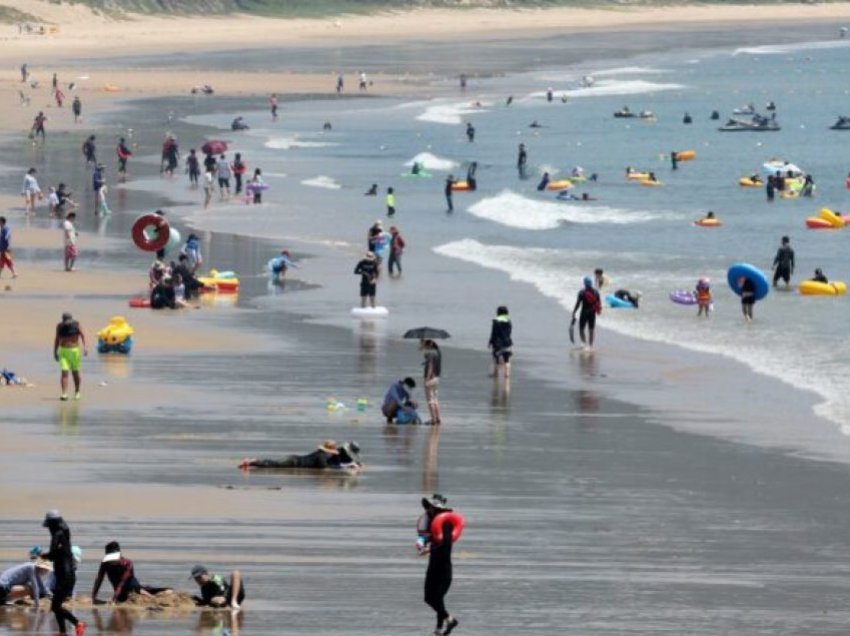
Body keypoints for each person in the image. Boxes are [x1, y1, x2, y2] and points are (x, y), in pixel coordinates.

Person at [40, 511, 86, 635]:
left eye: (49, 526)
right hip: (68, 575)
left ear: (52, 525)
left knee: (55, 606)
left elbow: (53, 554)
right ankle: (62, 631)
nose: (48, 528)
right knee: (57, 605)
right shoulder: (65, 535)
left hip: (64, 576)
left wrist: (43, 555)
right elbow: (59, 554)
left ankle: (77, 623)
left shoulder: (57, 535)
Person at [420, 495, 459, 635]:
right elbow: (426, 538)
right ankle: (441, 626)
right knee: (429, 598)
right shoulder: (431, 522)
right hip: (433, 565)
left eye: (430, 507)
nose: (428, 509)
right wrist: (422, 544)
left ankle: (443, 625)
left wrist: (430, 549)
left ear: (436, 508)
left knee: (436, 598)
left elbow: (446, 545)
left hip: (443, 567)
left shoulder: (446, 523)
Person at [92, 541, 171, 604]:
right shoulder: (105, 564)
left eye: (113, 560)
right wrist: (94, 596)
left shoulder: (128, 564)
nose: (111, 562)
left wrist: (113, 599)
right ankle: (155, 591)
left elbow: (122, 583)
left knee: (136, 590)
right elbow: (99, 579)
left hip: (130, 584)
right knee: (121, 600)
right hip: (117, 587)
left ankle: (155, 598)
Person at [240, 440, 361, 470]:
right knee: (274, 464)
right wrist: (347, 466)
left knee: (273, 464)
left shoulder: (333, 456)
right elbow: (325, 468)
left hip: (295, 460)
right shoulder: (322, 455)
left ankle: (252, 462)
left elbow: (338, 463)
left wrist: (352, 464)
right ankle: (252, 462)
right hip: (294, 461)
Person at [54, 312, 87, 401]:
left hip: (75, 351)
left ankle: (77, 392)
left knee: (75, 373)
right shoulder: (60, 326)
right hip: (63, 351)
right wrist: (55, 352)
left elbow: (83, 335)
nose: (67, 323)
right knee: (64, 372)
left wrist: (85, 348)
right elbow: (57, 339)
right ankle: (64, 394)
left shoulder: (77, 325)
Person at [571, 276, 601, 349]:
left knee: (581, 329)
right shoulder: (596, 292)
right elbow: (599, 303)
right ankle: (590, 346)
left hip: (584, 312)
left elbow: (578, 303)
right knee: (591, 329)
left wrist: (574, 312)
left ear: (584, 284)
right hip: (592, 313)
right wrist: (598, 311)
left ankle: (584, 344)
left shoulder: (582, 292)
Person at [488, 305, 512, 379]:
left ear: (498, 312)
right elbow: (509, 332)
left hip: (497, 343)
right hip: (507, 343)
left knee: (496, 359)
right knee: (507, 360)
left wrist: (490, 342)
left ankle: (495, 374)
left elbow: (493, 333)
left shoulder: (496, 321)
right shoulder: (509, 321)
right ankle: (507, 374)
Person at [422, 339, 442, 425]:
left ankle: (433, 419)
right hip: (437, 378)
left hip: (430, 378)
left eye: (426, 345)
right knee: (435, 399)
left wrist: (427, 379)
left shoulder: (430, 353)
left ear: (430, 344)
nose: (425, 347)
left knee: (430, 400)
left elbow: (430, 366)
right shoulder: (438, 352)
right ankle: (438, 418)